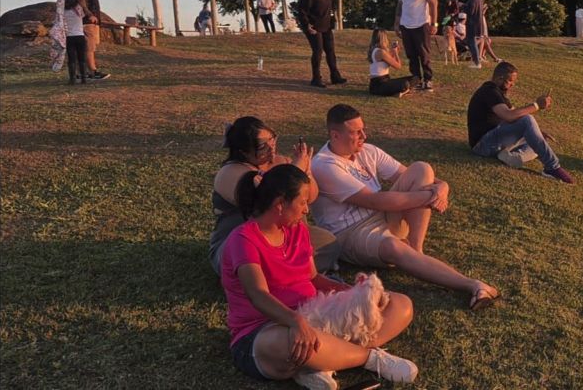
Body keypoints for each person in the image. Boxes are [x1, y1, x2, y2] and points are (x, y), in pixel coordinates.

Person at [221, 163, 418, 389]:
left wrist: (350, 292)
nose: (306, 210)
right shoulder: (243, 240)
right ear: (279, 204)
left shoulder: (297, 230)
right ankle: (369, 358)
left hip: (315, 316)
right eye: (303, 203)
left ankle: (323, 361)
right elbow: (258, 294)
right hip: (264, 329)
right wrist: (296, 321)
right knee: (288, 343)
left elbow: (313, 278)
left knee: (401, 305)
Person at [311, 104, 501, 310]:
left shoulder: (367, 151)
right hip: (350, 231)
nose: (363, 136)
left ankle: (417, 249)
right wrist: (430, 196)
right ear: (335, 135)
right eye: (356, 132)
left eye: (363, 129)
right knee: (393, 247)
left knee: (421, 168)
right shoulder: (324, 165)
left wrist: (443, 186)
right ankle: (473, 285)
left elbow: (411, 175)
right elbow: (376, 201)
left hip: (382, 216)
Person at [211, 117, 342, 275]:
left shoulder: (281, 161)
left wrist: (306, 172)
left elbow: (311, 197)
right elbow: (266, 203)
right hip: (244, 240)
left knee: (329, 243)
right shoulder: (230, 173)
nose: (271, 148)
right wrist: (296, 171)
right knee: (250, 257)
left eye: (272, 139)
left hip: (286, 237)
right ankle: (283, 273)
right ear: (243, 151)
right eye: (262, 146)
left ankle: (284, 271)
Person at [466, 61, 574, 184]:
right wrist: (537, 105)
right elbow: (509, 115)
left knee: (538, 140)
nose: (512, 85)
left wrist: (538, 132)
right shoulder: (489, 91)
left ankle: (512, 157)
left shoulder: (498, 93)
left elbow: (515, 115)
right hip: (482, 144)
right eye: (510, 81)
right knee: (527, 120)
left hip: (494, 141)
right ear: (500, 78)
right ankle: (552, 167)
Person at [296, 0, 346, 89]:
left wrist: (333, 23)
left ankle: (335, 76)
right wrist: (307, 25)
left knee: (330, 51)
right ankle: (316, 78)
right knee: (318, 51)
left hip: (326, 27)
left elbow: (329, 10)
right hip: (314, 27)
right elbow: (302, 11)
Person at [393, 0, 438, 91]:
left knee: (424, 54)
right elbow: (400, 4)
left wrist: (434, 23)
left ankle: (428, 79)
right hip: (406, 24)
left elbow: (433, 4)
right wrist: (397, 22)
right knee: (411, 54)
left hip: (421, 24)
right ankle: (416, 79)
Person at [63, 0, 110, 80]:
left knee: (87, 47)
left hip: (85, 20)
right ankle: (92, 72)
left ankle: (81, 73)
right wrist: (89, 14)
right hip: (83, 20)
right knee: (88, 47)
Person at [366, 29, 413, 98]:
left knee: (414, 79)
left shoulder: (377, 50)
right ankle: (402, 91)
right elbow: (398, 66)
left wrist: (394, 51)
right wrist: (396, 53)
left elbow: (389, 60)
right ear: (384, 38)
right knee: (404, 84)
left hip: (384, 81)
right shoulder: (380, 52)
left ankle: (402, 91)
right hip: (379, 85)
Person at [61, 0, 88, 85]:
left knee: (71, 59)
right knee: (82, 58)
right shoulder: (78, 8)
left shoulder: (63, 11)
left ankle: (72, 79)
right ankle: (84, 79)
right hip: (80, 36)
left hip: (69, 37)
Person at [464, 0, 484, 68]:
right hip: (478, 22)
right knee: (471, 42)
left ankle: (477, 62)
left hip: (472, 23)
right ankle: (475, 60)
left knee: (471, 42)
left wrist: (463, 7)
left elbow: (470, 11)